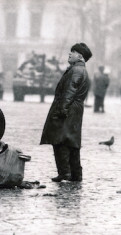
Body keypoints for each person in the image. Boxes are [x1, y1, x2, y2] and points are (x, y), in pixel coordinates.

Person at [40, 42, 92, 182]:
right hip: (75, 109)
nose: (70, 54)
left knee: (60, 140)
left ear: (80, 56)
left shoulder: (75, 71)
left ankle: (64, 173)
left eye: (73, 52)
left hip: (68, 108)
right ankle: (76, 174)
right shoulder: (82, 70)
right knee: (72, 142)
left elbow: (70, 90)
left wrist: (62, 110)